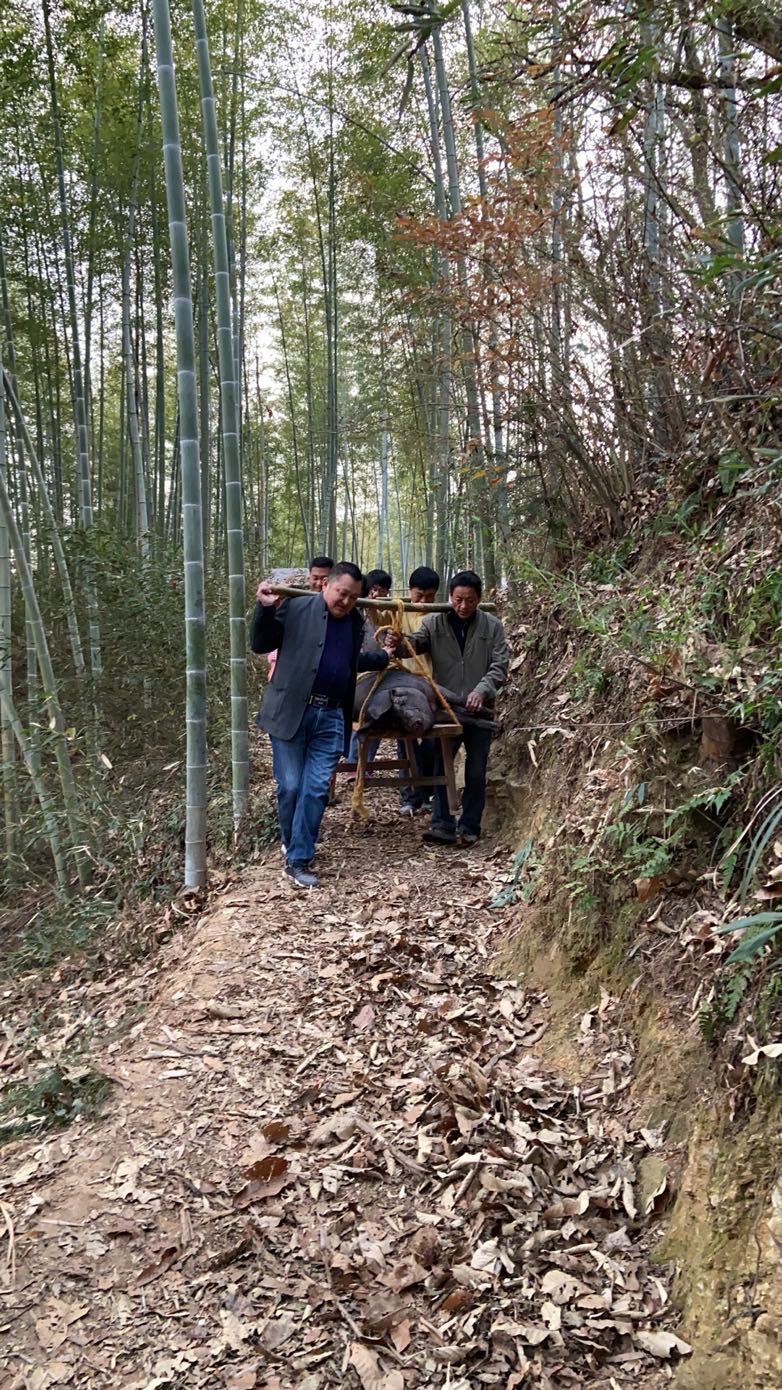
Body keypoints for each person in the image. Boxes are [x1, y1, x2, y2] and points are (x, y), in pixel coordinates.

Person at [251, 562, 389, 888]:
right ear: (326, 585)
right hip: (290, 712)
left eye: (354, 597)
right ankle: (292, 842)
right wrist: (264, 608)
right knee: (291, 787)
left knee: (315, 789)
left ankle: (298, 858)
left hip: (330, 717)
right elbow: (260, 643)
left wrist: (382, 656)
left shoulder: (356, 622)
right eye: (342, 593)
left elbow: (349, 660)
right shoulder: (296, 607)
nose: (347, 602)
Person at [389, 569, 508, 846]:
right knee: (442, 765)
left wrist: (482, 690)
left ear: (479, 598)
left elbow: (500, 665)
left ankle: (470, 827)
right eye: (458, 600)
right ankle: (442, 824)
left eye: (469, 600)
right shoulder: (435, 622)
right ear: (450, 597)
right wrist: (398, 643)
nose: (463, 606)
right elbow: (415, 645)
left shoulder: (492, 626)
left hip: (481, 709)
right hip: (446, 707)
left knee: (476, 771)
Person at [397, 566, 440, 815]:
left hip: (434, 684)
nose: (423, 602)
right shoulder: (398, 609)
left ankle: (426, 793)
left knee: (433, 739)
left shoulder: (440, 615)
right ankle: (409, 796)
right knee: (406, 739)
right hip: (403, 685)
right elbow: (377, 617)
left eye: (429, 597)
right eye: (419, 595)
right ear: (410, 590)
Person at [265, 557, 334, 682]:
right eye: (315, 578)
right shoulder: (294, 604)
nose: (319, 583)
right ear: (309, 578)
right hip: (293, 674)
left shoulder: (339, 610)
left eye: (324, 579)